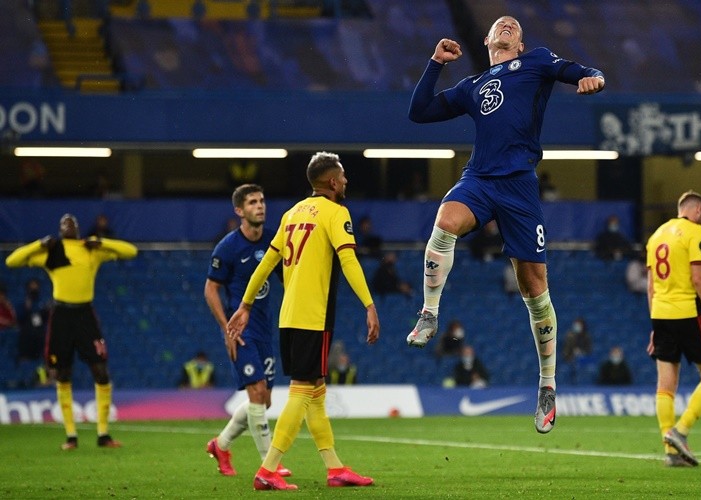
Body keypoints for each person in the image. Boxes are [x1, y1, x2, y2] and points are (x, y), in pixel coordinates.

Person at [406, 15, 605, 435]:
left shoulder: (535, 61)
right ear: (488, 39)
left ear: (518, 42)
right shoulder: (473, 85)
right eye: (500, 23)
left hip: (519, 185)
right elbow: (419, 111)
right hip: (479, 178)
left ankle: (547, 386)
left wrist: (594, 76)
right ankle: (429, 312)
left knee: (535, 289)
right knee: (444, 220)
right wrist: (435, 63)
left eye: (513, 24)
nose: (507, 23)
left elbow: (576, 70)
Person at [227, 151, 380, 491]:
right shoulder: (336, 213)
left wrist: (245, 305)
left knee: (316, 391)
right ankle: (268, 470)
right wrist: (369, 304)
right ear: (331, 182)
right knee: (302, 390)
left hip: (288, 317)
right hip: (314, 317)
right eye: (342, 177)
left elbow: (265, 264)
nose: (346, 182)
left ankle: (334, 468)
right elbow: (350, 261)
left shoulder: (291, 213)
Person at [5, 213, 137, 449]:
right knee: (63, 375)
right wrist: (39, 244)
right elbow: (12, 261)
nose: (68, 224)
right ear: (59, 229)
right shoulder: (51, 251)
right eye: (64, 222)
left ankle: (103, 434)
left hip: (86, 315)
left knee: (101, 371)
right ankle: (71, 437)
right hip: (62, 317)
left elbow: (130, 251)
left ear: (77, 227)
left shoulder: (90, 249)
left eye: (72, 222)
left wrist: (102, 242)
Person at [203, 183, 290, 478]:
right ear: (239, 211)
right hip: (241, 330)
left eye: (262, 200)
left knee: (263, 400)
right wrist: (226, 327)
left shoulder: (272, 240)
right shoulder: (228, 247)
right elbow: (211, 288)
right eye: (253, 202)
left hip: (264, 329)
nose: (260, 206)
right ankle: (270, 465)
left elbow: (286, 278)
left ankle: (221, 444)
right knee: (255, 393)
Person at [646, 190, 701, 468]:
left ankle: (670, 450)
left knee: (665, 385)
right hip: (687, 311)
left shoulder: (656, 235)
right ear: (697, 210)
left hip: (661, 313)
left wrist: (654, 325)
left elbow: (651, 285)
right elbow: (698, 277)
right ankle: (680, 431)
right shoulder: (695, 231)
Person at [15, 278, 49, 364]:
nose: (34, 290)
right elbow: (18, 318)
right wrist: (26, 308)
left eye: (36, 288)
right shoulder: (23, 302)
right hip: (27, 334)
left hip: (40, 335)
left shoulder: (42, 303)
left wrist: (46, 310)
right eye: (32, 288)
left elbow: (46, 318)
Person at [562, 317, 593, 384]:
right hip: (570, 358)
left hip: (584, 359)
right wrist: (571, 354)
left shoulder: (586, 336)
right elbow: (565, 350)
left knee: (587, 368)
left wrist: (582, 352)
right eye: (576, 325)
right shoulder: (569, 336)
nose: (577, 326)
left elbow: (589, 349)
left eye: (578, 325)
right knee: (567, 368)